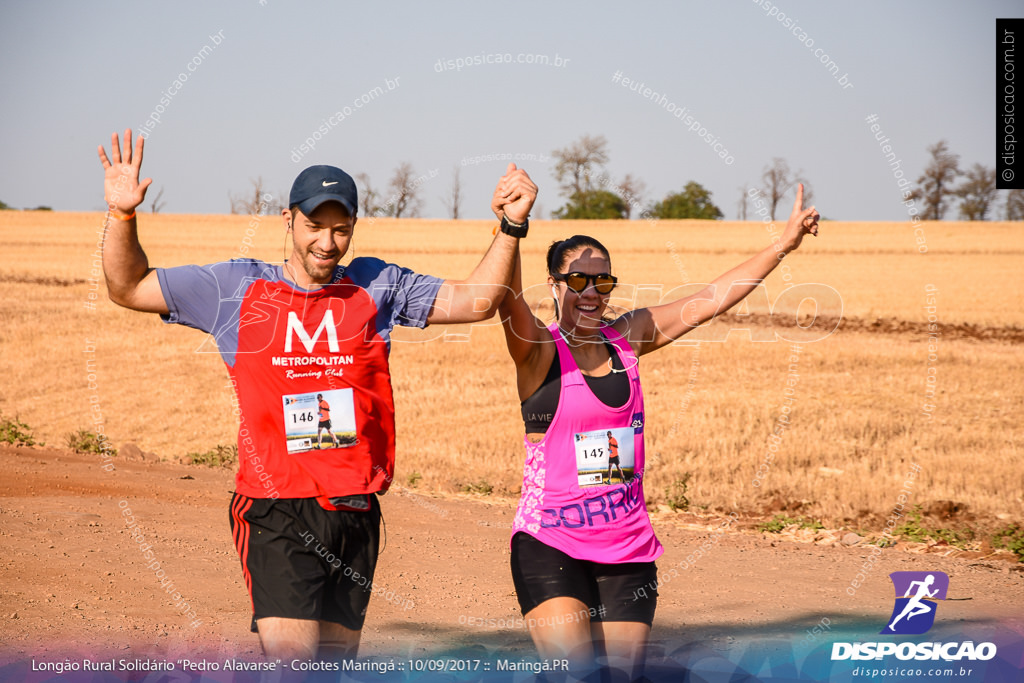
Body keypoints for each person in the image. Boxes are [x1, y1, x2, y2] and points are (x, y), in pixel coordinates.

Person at [97, 129, 537, 661]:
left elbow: (477, 302)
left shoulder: (378, 285)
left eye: (341, 229)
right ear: (288, 220)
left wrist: (511, 225)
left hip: (355, 510)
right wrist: (122, 216)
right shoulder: (235, 288)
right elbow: (128, 287)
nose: (326, 243)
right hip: (276, 508)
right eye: (314, 227)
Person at [496, 185, 819, 679]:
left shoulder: (628, 338)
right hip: (550, 542)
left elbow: (711, 299)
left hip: (627, 546)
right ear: (555, 284)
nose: (591, 292)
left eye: (603, 283)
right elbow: (505, 299)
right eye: (579, 279)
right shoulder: (539, 351)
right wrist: (512, 227)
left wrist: (784, 244)